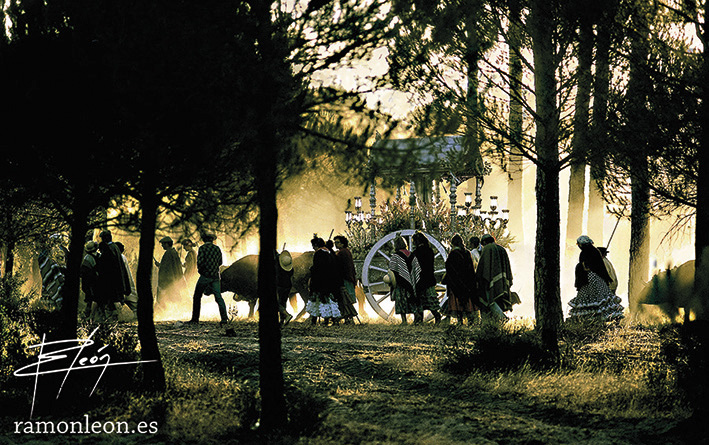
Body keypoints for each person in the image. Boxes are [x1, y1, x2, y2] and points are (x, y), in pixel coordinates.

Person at [568, 236, 624, 321]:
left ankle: (590, 320)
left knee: (589, 300)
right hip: (598, 280)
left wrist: (581, 267)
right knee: (599, 300)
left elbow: (586, 268)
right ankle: (598, 319)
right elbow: (602, 270)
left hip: (588, 280)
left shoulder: (584, 253)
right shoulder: (596, 252)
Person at [188, 232, 228, 325]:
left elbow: (200, 262)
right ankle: (224, 318)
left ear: (204, 240)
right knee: (218, 297)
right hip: (215, 276)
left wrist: (202, 272)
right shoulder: (217, 248)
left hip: (205, 276)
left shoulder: (202, 248)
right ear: (212, 240)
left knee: (197, 296)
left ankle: (195, 319)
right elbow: (220, 262)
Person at [476, 234, 513, 320]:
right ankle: (495, 321)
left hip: (490, 280)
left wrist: (479, 278)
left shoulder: (488, 248)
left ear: (484, 242)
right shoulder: (502, 249)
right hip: (502, 281)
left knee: (489, 300)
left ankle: (502, 318)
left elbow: (483, 266)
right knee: (498, 300)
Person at [95, 230, 131, 321]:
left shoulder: (109, 249)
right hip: (117, 278)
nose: (102, 240)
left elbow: (106, 266)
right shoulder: (115, 247)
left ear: (107, 238)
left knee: (113, 299)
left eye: (103, 238)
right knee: (115, 299)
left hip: (112, 280)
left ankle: (119, 317)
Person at [443, 234, 478, 325]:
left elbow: (450, 270)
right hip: (467, 281)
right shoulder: (467, 253)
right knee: (468, 303)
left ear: (453, 244)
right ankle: (471, 321)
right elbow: (471, 268)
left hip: (456, 282)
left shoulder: (453, 254)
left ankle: (460, 322)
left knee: (457, 304)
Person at [306, 236, 341, 325]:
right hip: (331, 280)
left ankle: (316, 321)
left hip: (321, 281)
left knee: (318, 300)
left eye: (313, 246)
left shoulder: (318, 254)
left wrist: (311, 271)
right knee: (329, 300)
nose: (313, 248)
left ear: (316, 245)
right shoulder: (330, 252)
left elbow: (318, 269)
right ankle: (331, 320)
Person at [388, 235, 421, 325]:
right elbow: (416, 268)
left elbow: (392, 269)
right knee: (411, 298)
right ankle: (416, 315)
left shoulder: (396, 256)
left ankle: (404, 321)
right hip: (411, 281)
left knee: (400, 301)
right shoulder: (411, 255)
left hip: (400, 283)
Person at [411, 231, 442, 324]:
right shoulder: (430, 251)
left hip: (420, 279)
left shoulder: (416, 253)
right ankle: (437, 317)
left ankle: (419, 320)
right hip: (429, 278)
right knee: (431, 301)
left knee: (420, 301)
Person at [154, 236, 186, 308]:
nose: (162, 246)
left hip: (168, 281)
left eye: (163, 244)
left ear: (167, 244)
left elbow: (166, 268)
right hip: (174, 280)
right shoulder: (174, 252)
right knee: (174, 299)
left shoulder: (168, 253)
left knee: (165, 299)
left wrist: (159, 266)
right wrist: (160, 265)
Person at [333, 235, 359, 324]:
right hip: (349, 278)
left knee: (345, 299)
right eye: (335, 242)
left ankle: (349, 318)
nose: (336, 244)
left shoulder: (342, 253)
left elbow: (340, 267)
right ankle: (349, 318)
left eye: (337, 242)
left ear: (342, 244)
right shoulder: (346, 252)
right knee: (348, 299)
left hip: (345, 278)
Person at [115, 241, 138, 318]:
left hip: (122, 283)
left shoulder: (119, 257)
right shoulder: (123, 257)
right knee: (134, 302)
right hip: (128, 283)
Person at [80, 241, 100, 319]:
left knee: (89, 300)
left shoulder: (87, 258)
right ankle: (96, 316)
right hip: (99, 281)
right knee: (98, 299)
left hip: (90, 282)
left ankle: (87, 315)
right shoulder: (100, 256)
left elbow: (84, 273)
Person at [276, 249, 294, 326]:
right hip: (288, 285)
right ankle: (282, 320)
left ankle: (287, 315)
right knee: (283, 302)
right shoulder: (290, 269)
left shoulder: (278, 267)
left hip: (279, 285)